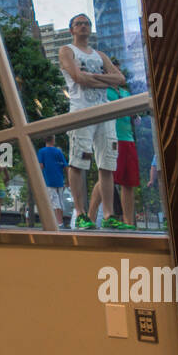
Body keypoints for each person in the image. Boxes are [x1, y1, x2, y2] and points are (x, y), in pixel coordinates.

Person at [59, 14, 125, 230]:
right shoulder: (67, 51)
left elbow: (120, 79)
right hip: (81, 112)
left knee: (107, 163)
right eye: (79, 24)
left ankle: (108, 215)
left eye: (86, 23)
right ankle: (80, 213)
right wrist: (106, 80)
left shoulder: (100, 54)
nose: (83, 26)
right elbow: (78, 78)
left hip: (105, 114)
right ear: (72, 30)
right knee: (78, 161)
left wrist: (93, 78)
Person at [90, 70, 138, 230]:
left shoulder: (125, 92)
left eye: (117, 71)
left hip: (128, 138)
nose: (116, 75)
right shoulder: (102, 90)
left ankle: (128, 222)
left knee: (128, 182)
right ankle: (91, 214)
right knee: (109, 177)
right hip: (111, 136)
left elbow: (134, 112)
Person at [36, 135, 70, 228]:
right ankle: (60, 221)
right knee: (60, 201)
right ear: (53, 140)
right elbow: (66, 166)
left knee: (54, 202)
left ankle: (58, 223)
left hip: (48, 180)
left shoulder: (41, 151)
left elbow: (41, 166)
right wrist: (68, 180)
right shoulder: (58, 151)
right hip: (59, 180)